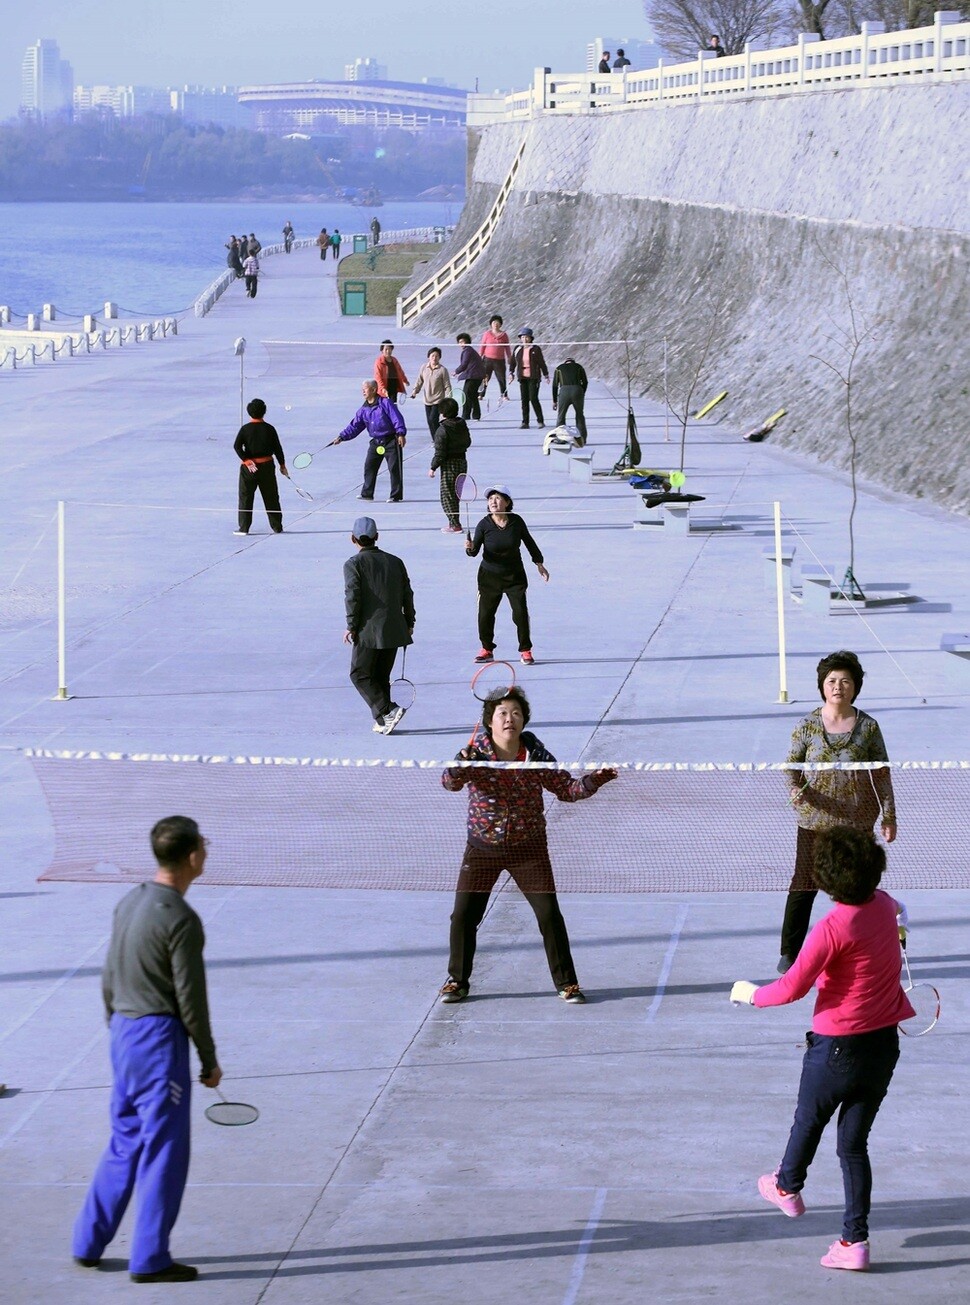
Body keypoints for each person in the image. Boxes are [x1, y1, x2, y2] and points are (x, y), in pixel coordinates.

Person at [731, 827, 914, 1273]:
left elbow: (792, 987)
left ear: (827, 879)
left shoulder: (832, 926)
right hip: (883, 1046)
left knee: (809, 1118)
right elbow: (901, 913)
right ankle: (854, 1242)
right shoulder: (885, 904)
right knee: (853, 1146)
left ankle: (787, 1187)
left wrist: (749, 994)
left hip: (836, 1048)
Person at [72, 816, 220, 1284]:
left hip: (123, 1032)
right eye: (204, 843)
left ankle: (88, 1242)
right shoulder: (180, 918)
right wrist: (208, 1059)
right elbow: (190, 998)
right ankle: (150, 1257)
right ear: (193, 855)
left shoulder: (130, 901)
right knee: (164, 1149)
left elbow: (109, 975)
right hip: (158, 1042)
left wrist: (116, 1030)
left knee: (125, 1139)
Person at [439, 686, 616, 1004]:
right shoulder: (474, 753)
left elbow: (568, 789)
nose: (510, 718)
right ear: (490, 721)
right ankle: (457, 981)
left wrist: (595, 779)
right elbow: (450, 783)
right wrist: (460, 766)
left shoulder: (536, 756)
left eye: (516, 712)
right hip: (482, 847)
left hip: (528, 848)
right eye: (502, 713)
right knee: (463, 916)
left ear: (524, 721)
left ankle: (567, 984)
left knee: (549, 915)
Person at [779, 650, 896, 972]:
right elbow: (791, 766)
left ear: (855, 687)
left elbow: (881, 773)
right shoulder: (806, 726)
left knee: (858, 886)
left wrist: (889, 815)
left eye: (845, 681)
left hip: (856, 819)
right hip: (814, 819)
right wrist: (793, 787)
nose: (838, 687)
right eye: (832, 681)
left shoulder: (868, 727)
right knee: (803, 883)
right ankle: (790, 953)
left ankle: (862, 948)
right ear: (822, 686)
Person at [343, 516, 415, 734]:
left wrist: (351, 626)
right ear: (377, 537)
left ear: (353, 538)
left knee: (360, 674)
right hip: (395, 628)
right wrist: (409, 622)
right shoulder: (395, 561)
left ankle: (388, 709)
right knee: (381, 676)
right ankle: (383, 720)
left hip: (368, 631)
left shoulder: (353, 564)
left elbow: (353, 596)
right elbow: (407, 594)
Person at [467, 484, 547, 665]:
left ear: (507, 502)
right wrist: (469, 548)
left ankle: (525, 650)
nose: (493, 502)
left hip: (514, 576)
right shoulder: (483, 524)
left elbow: (529, 542)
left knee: (520, 614)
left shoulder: (516, 522)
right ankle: (487, 649)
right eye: (490, 499)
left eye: (497, 498)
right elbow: (474, 552)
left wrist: (539, 563)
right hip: (489, 577)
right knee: (485, 615)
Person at [330, 380, 407, 503]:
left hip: (391, 441)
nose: (363, 391)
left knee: (394, 469)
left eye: (365, 389)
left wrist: (401, 434)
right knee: (369, 467)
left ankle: (395, 495)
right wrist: (342, 437)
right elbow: (355, 426)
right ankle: (367, 493)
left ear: (373, 390)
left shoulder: (385, 403)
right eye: (362, 389)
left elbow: (396, 418)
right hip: (376, 442)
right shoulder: (363, 409)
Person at [233, 398, 289, 534]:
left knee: (245, 497)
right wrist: (282, 465)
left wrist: (246, 460)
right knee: (271, 496)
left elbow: (237, 446)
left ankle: (244, 528)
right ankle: (277, 526)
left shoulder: (245, 429)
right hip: (266, 466)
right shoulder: (269, 429)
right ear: (264, 412)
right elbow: (278, 449)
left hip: (249, 468)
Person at [429, 396, 471, 533]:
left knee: (447, 495)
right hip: (462, 462)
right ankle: (454, 522)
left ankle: (455, 524)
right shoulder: (462, 424)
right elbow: (468, 442)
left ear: (443, 413)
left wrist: (433, 467)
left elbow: (440, 452)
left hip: (449, 465)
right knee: (456, 494)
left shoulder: (442, 430)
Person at [510, 328, 549, 429]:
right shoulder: (517, 348)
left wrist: (546, 375)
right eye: (522, 337)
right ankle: (525, 422)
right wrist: (511, 372)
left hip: (534, 377)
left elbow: (541, 363)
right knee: (524, 400)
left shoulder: (535, 349)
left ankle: (540, 421)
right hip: (522, 377)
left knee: (533, 398)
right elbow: (512, 362)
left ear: (531, 338)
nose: (524, 339)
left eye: (526, 337)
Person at [411, 346, 453, 436]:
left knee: (433, 420)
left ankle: (439, 438)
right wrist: (415, 391)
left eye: (437, 356)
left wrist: (449, 398)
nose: (434, 358)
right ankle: (436, 439)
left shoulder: (442, 370)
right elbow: (419, 381)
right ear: (428, 357)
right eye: (432, 356)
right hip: (427, 400)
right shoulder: (423, 367)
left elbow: (447, 385)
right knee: (430, 422)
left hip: (438, 400)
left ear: (439, 358)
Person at [552, 355, 589, 445]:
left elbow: (555, 385)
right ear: (573, 362)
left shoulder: (559, 368)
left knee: (561, 415)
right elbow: (585, 382)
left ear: (565, 362)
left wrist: (554, 400)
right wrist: (581, 392)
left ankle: (561, 438)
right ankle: (582, 439)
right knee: (579, 415)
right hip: (577, 390)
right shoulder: (579, 367)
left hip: (564, 391)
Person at [479, 315, 512, 402]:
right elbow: (483, 346)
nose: (495, 324)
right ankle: (480, 394)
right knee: (484, 378)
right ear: (491, 324)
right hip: (487, 360)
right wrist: (480, 356)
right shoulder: (487, 334)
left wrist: (509, 357)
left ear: (500, 324)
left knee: (501, 378)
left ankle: (504, 395)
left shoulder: (504, 335)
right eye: (494, 322)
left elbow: (507, 347)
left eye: (497, 322)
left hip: (499, 361)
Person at [454, 332, 486, 421]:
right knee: (472, 395)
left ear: (467, 342)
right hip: (476, 375)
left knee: (466, 394)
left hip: (474, 376)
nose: (461, 344)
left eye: (463, 341)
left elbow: (464, 364)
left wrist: (456, 371)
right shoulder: (469, 350)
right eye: (460, 342)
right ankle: (476, 415)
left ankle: (466, 415)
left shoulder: (468, 351)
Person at [374, 339, 409, 406]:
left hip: (393, 384)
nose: (388, 351)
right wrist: (382, 388)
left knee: (393, 405)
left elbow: (400, 371)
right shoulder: (379, 361)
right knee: (384, 405)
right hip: (384, 385)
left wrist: (405, 380)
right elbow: (377, 376)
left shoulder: (394, 360)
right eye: (386, 349)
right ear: (382, 350)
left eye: (390, 349)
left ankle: (393, 416)